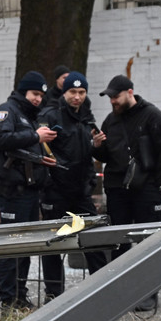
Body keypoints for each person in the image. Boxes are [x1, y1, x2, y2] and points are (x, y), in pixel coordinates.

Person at [93, 75, 161, 312]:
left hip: (146, 190)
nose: (112, 102)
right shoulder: (111, 120)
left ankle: (148, 293)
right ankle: (121, 293)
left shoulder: (152, 115)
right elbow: (106, 156)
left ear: (129, 92)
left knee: (147, 242)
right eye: (110, 97)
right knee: (118, 242)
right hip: (118, 189)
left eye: (116, 96)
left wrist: (160, 185)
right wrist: (97, 147)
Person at [0, 70, 58, 311]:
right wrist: (35, 136)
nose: (38, 99)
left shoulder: (30, 116)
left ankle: (20, 296)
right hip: (12, 191)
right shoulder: (7, 111)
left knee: (25, 247)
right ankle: (8, 299)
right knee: (11, 246)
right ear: (23, 91)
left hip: (29, 191)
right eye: (34, 93)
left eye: (41, 95)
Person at [37, 71, 109, 301]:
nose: (77, 97)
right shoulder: (50, 115)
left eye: (81, 92)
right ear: (64, 92)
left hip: (80, 191)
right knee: (54, 245)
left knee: (94, 239)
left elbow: (94, 151)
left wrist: (96, 146)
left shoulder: (86, 118)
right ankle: (54, 293)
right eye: (72, 92)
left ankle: (99, 289)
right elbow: (41, 150)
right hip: (56, 191)